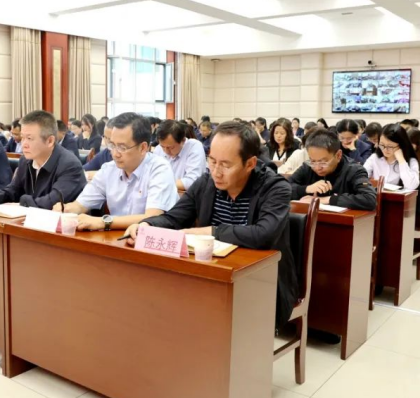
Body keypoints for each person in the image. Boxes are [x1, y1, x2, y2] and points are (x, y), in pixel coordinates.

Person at [123, 121, 298, 328]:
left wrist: (209, 232)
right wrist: (147, 225)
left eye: (226, 165)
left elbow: (264, 234)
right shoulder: (207, 183)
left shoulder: (275, 188)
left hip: (261, 282)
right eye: (212, 161)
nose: (216, 171)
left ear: (250, 164)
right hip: (211, 276)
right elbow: (173, 218)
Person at [57, 112, 178, 231]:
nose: (115, 154)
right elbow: (81, 205)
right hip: (116, 238)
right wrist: (66, 209)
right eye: (112, 145)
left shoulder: (159, 169)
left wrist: (104, 221)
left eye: (122, 147)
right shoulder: (108, 169)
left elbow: (152, 218)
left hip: (149, 239)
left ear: (143, 148)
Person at [0, 110, 85, 208]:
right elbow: (13, 190)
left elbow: (51, 203)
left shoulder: (70, 165)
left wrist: (23, 201)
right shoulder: (25, 160)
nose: (24, 144)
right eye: (22, 138)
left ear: (50, 141)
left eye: (29, 138)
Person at [289, 128, 377, 210]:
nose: (317, 167)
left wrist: (327, 199)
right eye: (313, 161)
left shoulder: (354, 170)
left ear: (338, 155)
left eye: (323, 162)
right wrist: (306, 188)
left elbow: (369, 199)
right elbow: (284, 188)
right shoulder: (307, 167)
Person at [153, 120, 207, 192]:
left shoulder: (194, 147)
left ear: (183, 140)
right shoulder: (158, 149)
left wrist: (162, 184)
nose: (166, 151)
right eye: (163, 147)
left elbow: (193, 181)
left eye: (171, 147)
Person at [363, 124, 420, 190]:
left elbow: (412, 186)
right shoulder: (375, 158)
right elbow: (361, 177)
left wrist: (401, 161)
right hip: (376, 195)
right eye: (381, 145)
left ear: (401, 145)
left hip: (398, 196)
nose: (385, 150)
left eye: (390, 146)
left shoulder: (411, 161)